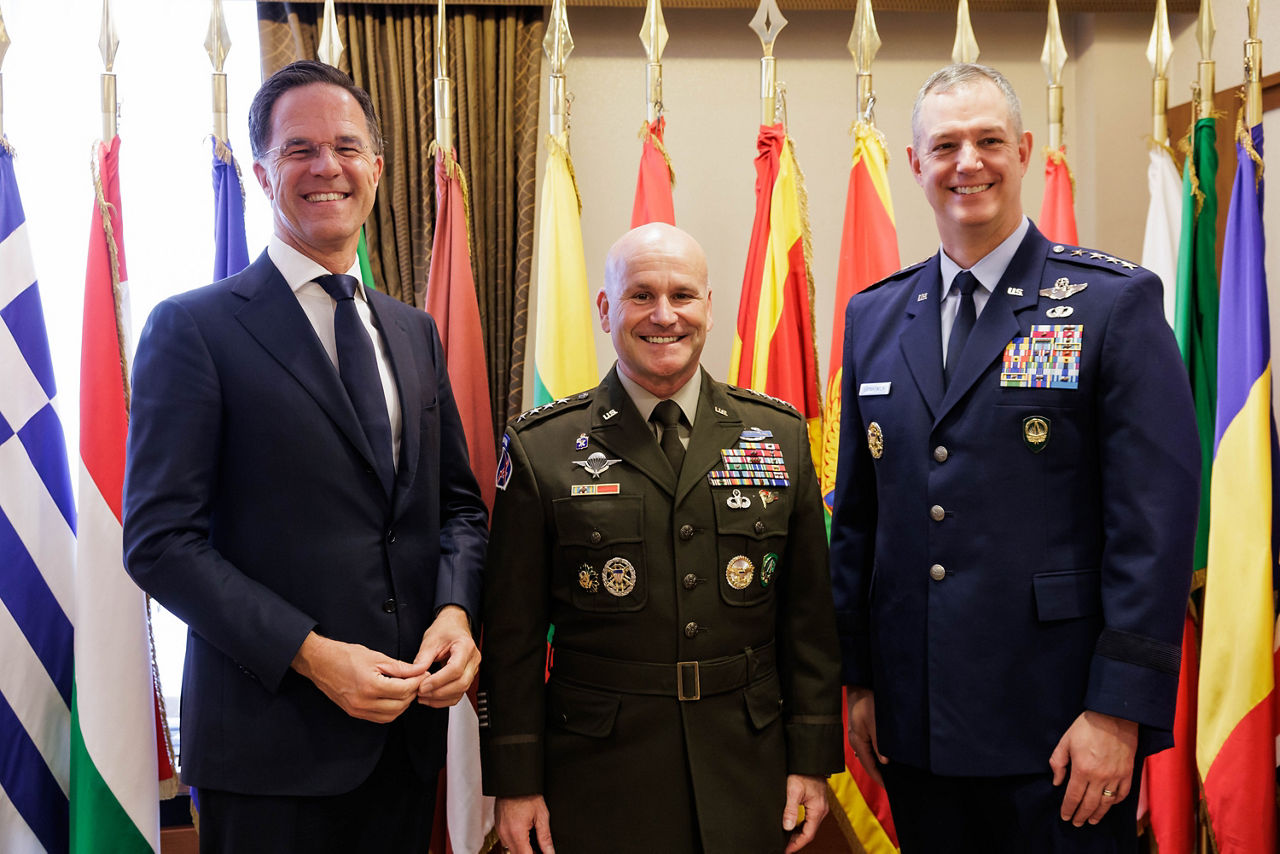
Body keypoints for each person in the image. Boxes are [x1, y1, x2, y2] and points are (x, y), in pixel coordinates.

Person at [829, 63, 1200, 852]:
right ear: (914, 163)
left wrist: (1117, 712)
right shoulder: (874, 316)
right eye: (947, 145)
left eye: (990, 141)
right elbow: (859, 520)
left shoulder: (1111, 305)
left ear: (1025, 150)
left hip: (1060, 727)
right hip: (917, 721)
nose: (969, 163)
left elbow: (1153, 528)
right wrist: (859, 679)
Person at [123, 60, 488, 853]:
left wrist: (457, 611)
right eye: (299, 150)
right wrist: (313, 656)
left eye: (347, 146)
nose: (328, 167)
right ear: (261, 173)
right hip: (268, 753)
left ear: (379, 169)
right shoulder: (194, 330)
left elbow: (457, 506)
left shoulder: (414, 332)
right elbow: (159, 544)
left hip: (404, 744)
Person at [478, 222, 843, 854]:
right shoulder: (544, 449)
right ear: (604, 310)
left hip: (746, 764)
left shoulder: (776, 436)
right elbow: (511, 638)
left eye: (683, 295)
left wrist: (811, 758)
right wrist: (515, 783)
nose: (664, 316)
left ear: (709, 306)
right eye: (641, 295)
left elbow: (808, 620)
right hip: (600, 773)